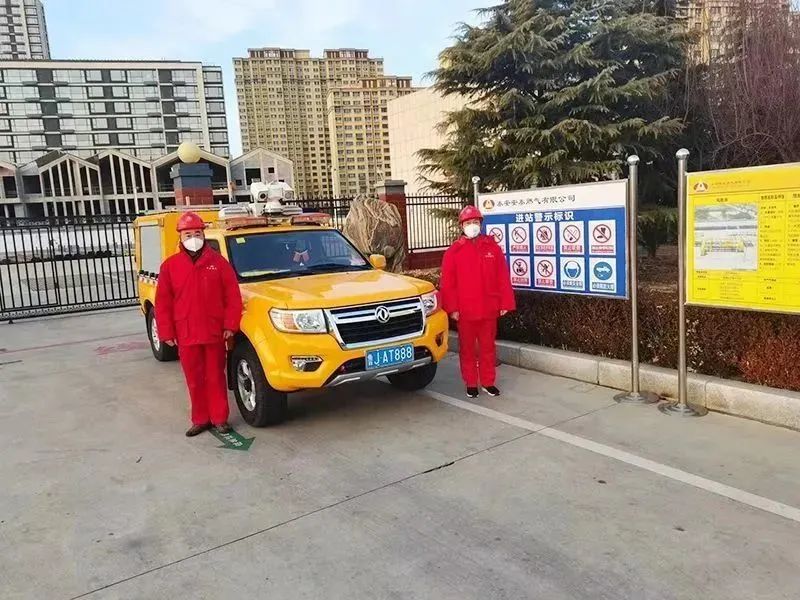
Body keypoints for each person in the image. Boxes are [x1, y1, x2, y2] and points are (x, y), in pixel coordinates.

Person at [155, 212, 243, 437]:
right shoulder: (170, 267)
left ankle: (219, 418)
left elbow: (232, 296)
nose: (193, 238)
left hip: (214, 332)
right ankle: (200, 419)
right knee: (194, 379)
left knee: (215, 376)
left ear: (203, 234)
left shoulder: (219, 263)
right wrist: (166, 332)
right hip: (186, 333)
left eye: (197, 233)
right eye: (188, 234)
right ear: (180, 236)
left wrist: (230, 325)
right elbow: (163, 302)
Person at [440, 205, 516, 398]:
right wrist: (452, 308)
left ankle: (488, 382)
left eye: (475, 222)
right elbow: (448, 284)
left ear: (480, 224)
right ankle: (471, 382)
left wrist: (505, 303)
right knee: (467, 349)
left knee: (488, 347)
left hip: (489, 308)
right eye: (468, 222)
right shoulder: (454, 252)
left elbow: (502, 277)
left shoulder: (492, 248)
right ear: (462, 226)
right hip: (465, 311)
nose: (472, 225)